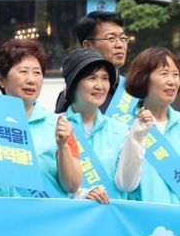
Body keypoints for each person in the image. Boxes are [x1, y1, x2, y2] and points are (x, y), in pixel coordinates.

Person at [0, 39, 82, 198]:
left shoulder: (59, 125)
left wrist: (63, 146)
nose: (31, 80)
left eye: (37, 72)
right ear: (1, 79)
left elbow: (72, 185)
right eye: (23, 71)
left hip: (42, 213)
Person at [58, 48, 151, 202]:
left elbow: (127, 184)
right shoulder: (54, 126)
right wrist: (81, 195)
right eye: (92, 78)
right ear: (73, 83)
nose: (100, 85)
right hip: (69, 216)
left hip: (111, 216)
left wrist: (136, 137)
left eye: (105, 78)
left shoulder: (121, 130)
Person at [122, 48, 180, 205]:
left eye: (175, 74)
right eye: (164, 73)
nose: (172, 81)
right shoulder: (123, 125)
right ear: (143, 78)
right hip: (142, 217)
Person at [55, 11, 129, 113]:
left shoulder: (133, 91)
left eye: (123, 38)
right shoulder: (74, 95)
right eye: (111, 38)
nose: (119, 45)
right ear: (87, 46)